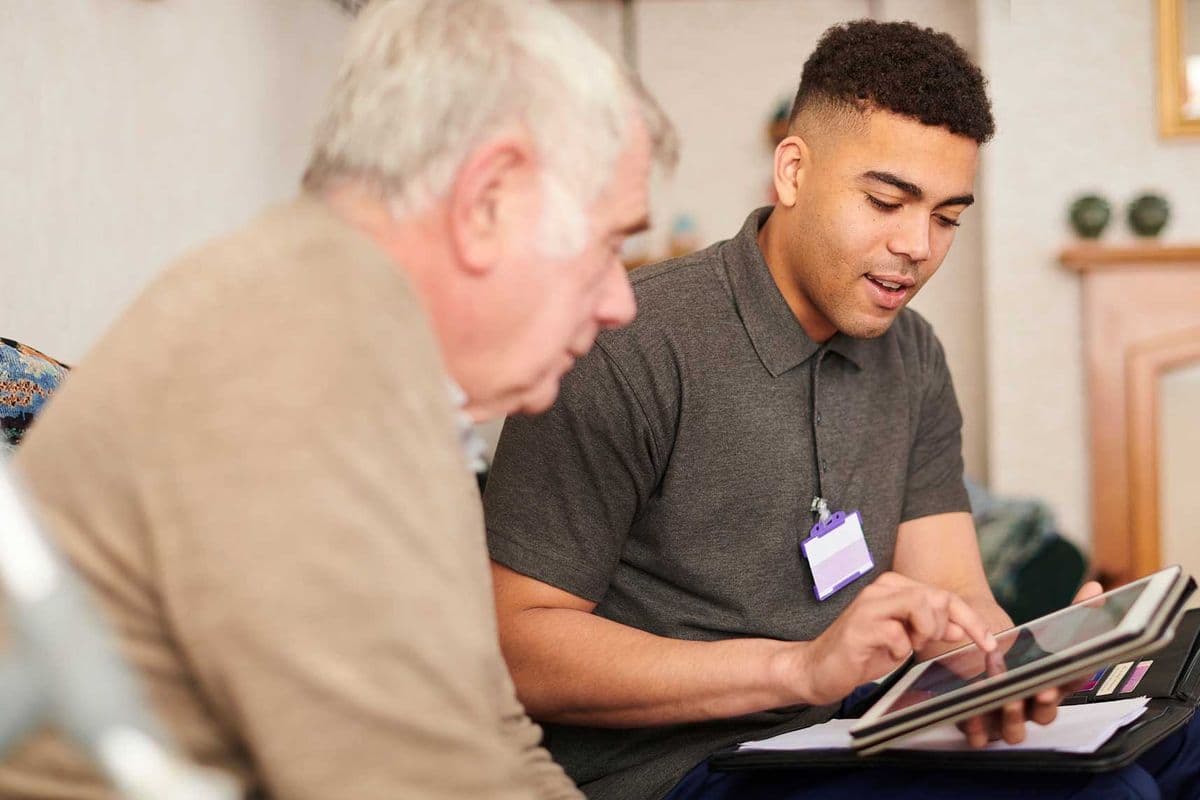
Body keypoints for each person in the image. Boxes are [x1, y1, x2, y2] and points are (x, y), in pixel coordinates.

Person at [482, 19, 1200, 800]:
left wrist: (1027, 662)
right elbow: (515, 646)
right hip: (685, 770)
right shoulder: (626, 343)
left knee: (1180, 732)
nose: (918, 246)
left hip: (857, 726)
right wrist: (796, 667)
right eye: (887, 201)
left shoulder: (912, 352)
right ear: (792, 171)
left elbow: (956, 592)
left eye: (947, 217)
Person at [0, 1, 676, 797]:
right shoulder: (295, 362)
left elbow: (490, 735)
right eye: (608, 247)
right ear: (489, 198)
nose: (620, 302)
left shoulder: (380, 354)